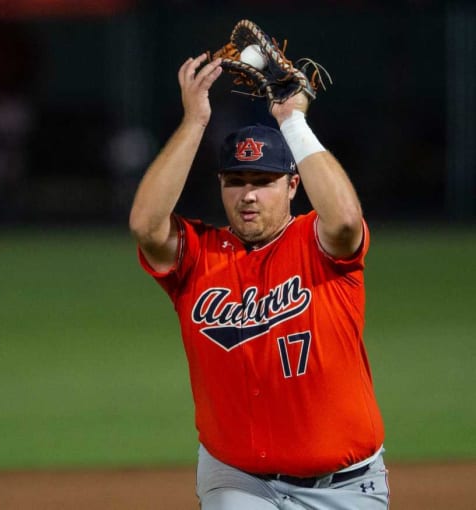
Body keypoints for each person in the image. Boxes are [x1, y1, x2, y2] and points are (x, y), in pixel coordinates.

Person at [129, 54, 389, 509]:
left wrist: (292, 122)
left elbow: (347, 220)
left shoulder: (317, 243)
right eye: (236, 180)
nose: (248, 194)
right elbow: (147, 226)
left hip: (345, 485)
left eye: (264, 180)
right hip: (238, 479)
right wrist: (195, 121)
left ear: (293, 185)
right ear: (221, 186)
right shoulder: (198, 255)